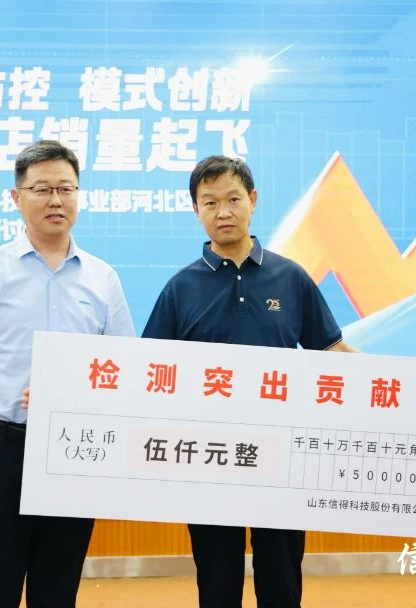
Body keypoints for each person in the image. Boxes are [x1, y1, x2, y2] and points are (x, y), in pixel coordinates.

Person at [141, 155, 360, 608]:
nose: (223, 212)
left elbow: (333, 352)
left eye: (233, 199)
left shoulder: (291, 277)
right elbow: (146, 369)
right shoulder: (180, 288)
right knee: (217, 583)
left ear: (253, 200)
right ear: (195, 210)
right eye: (210, 202)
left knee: (281, 580)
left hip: (282, 456)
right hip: (207, 459)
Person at [0, 139, 134, 608]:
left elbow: (122, 370)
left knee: (58, 590)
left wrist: (72, 394)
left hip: (74, 449)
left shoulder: (102, 278)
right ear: (16, 197)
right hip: (2, 450)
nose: (55, 200)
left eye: (66, 189)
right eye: (42, 189)